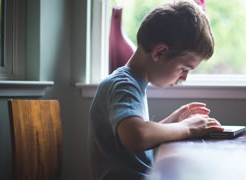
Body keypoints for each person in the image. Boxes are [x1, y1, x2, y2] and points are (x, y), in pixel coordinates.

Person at [88, 0, 224, 179]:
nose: (184, 78)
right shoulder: (124, 85)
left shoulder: (131, 83)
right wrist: (186, 128)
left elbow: (138, 132)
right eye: (184, 69)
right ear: (159, 52)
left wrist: (172, 122)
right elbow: (136, 136)